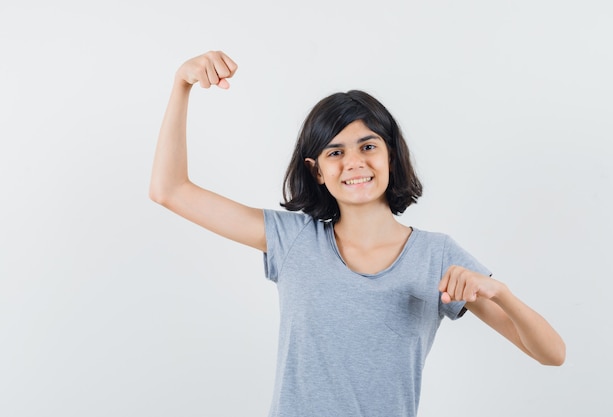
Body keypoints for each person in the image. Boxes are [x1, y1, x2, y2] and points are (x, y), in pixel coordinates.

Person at [149, 50, 565, 417]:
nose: (354, 162)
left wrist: (501, 293)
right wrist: (181, 84)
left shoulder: (436, 257)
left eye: (368, 146)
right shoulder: (293, 239)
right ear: (317, 170)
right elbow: (169, 190)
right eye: (335, 152)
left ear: (389, 154)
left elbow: (552, 354)